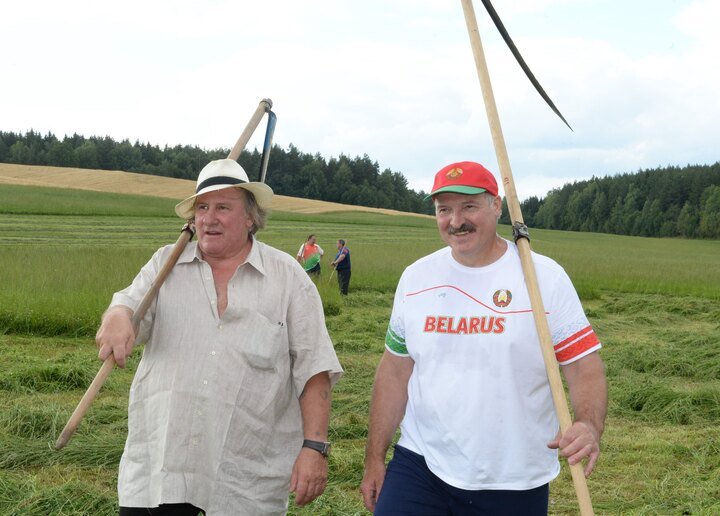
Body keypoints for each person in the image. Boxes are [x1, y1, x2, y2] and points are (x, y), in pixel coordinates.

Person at [96, 158, 343, 516]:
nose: (209, 218)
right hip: (161, 471)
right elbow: (129, 306)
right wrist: (118, 317)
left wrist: (314, 448)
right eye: (203, 207)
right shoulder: (166, 264)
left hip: (243, 482)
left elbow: (314, 369)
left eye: (223, 207)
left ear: (250, 217)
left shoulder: (287, 278)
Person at [360, 161, 607, 515]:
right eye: (444, 210)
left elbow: (584, 367)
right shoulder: (416, 279)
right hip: (422, 462)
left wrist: (587, 424)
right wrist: (374, 459)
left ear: (496, 206)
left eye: (469, 207)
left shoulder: (542, 279)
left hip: (512, 476)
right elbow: (394, 372)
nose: (456, 221)